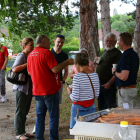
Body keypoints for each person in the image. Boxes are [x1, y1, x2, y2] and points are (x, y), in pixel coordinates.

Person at [27, 35, 73, 140]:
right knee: (53, 117)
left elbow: (29, 72)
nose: (50, 44)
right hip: (50, 91)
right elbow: (55, 69)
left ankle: (39, 138)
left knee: (40, 117)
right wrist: (67, 62)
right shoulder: (47, 52)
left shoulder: (31, 55)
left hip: (37, 91)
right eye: (48, 41)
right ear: (43, 41)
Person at [67, 53, 100, 129]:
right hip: (91, 108)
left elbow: (75, 97)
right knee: (89, 131)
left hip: (78, 109)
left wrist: (69, 92)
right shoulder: (95, 75)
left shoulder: (77, 76)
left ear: (77, 63)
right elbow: (96, 95)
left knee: (77, 131)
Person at [12, 38, 34, 140]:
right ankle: (18, 134)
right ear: (25, 46)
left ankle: (23, 132)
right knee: (20, 111)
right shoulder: (21, 56)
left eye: (33, 45)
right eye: (30, 45)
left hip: (28, 88)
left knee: (24, 111)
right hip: (20, 88)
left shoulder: (29, 56)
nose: (32, 47)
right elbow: (15, 69)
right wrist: (28, 63)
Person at [94, 33, 122, 111]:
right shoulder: (105, 51)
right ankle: (102, 123)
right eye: (107, 41)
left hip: (109, 86)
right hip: (101, 85)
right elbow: (101, 68)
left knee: (111, 109)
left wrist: (109, 83)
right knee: (101, 108)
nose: (108, 43)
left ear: (115, 42)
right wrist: (97, 63)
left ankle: (111, 123)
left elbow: (118, 71)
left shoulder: (117, 53)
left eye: (111, 41)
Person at [112, 32, 139, 109]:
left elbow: (124, 77)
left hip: (126, 91)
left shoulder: (126, 56)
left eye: (119, 41)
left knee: (125, 115)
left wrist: (115, 72)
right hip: (131, 89)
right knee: (130, 113)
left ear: (122, 43)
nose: (118, 43)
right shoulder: (134, 54)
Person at [51, 35, 68, 105]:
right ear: (54, 41)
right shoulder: (49, 53)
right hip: (49, 83)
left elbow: (66, 70)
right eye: (58, 42)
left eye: (62, 42)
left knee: (57, 103)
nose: (60, 44)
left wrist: (63, 80)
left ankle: (56, 116)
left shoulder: (64, 55)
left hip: (59, 83)